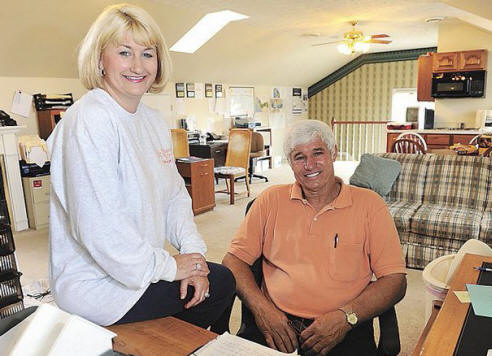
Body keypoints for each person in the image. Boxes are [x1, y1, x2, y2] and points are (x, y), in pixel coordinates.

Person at [47, 3, 235, 330]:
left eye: (148, 54)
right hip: (98, 286)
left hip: (137, 270)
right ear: (99, 59)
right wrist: (170, 268)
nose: (138, 65)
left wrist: (194, 259)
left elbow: (175, 197)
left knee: (209, 279)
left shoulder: (151, 121)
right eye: (124, 52)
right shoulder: (89, 119)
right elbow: (100, 229)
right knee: (222, 285)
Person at [223, 119, 407, 356]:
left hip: (345, 326)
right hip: (276, 326)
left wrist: (346, 317)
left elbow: (395, 280)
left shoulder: (370, 205)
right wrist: (262, 310)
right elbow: (233, 261)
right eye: (299, 157)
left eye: (317, 153)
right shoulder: (269, 200)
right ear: (290, 163)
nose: (309, 165)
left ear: (334, 153)